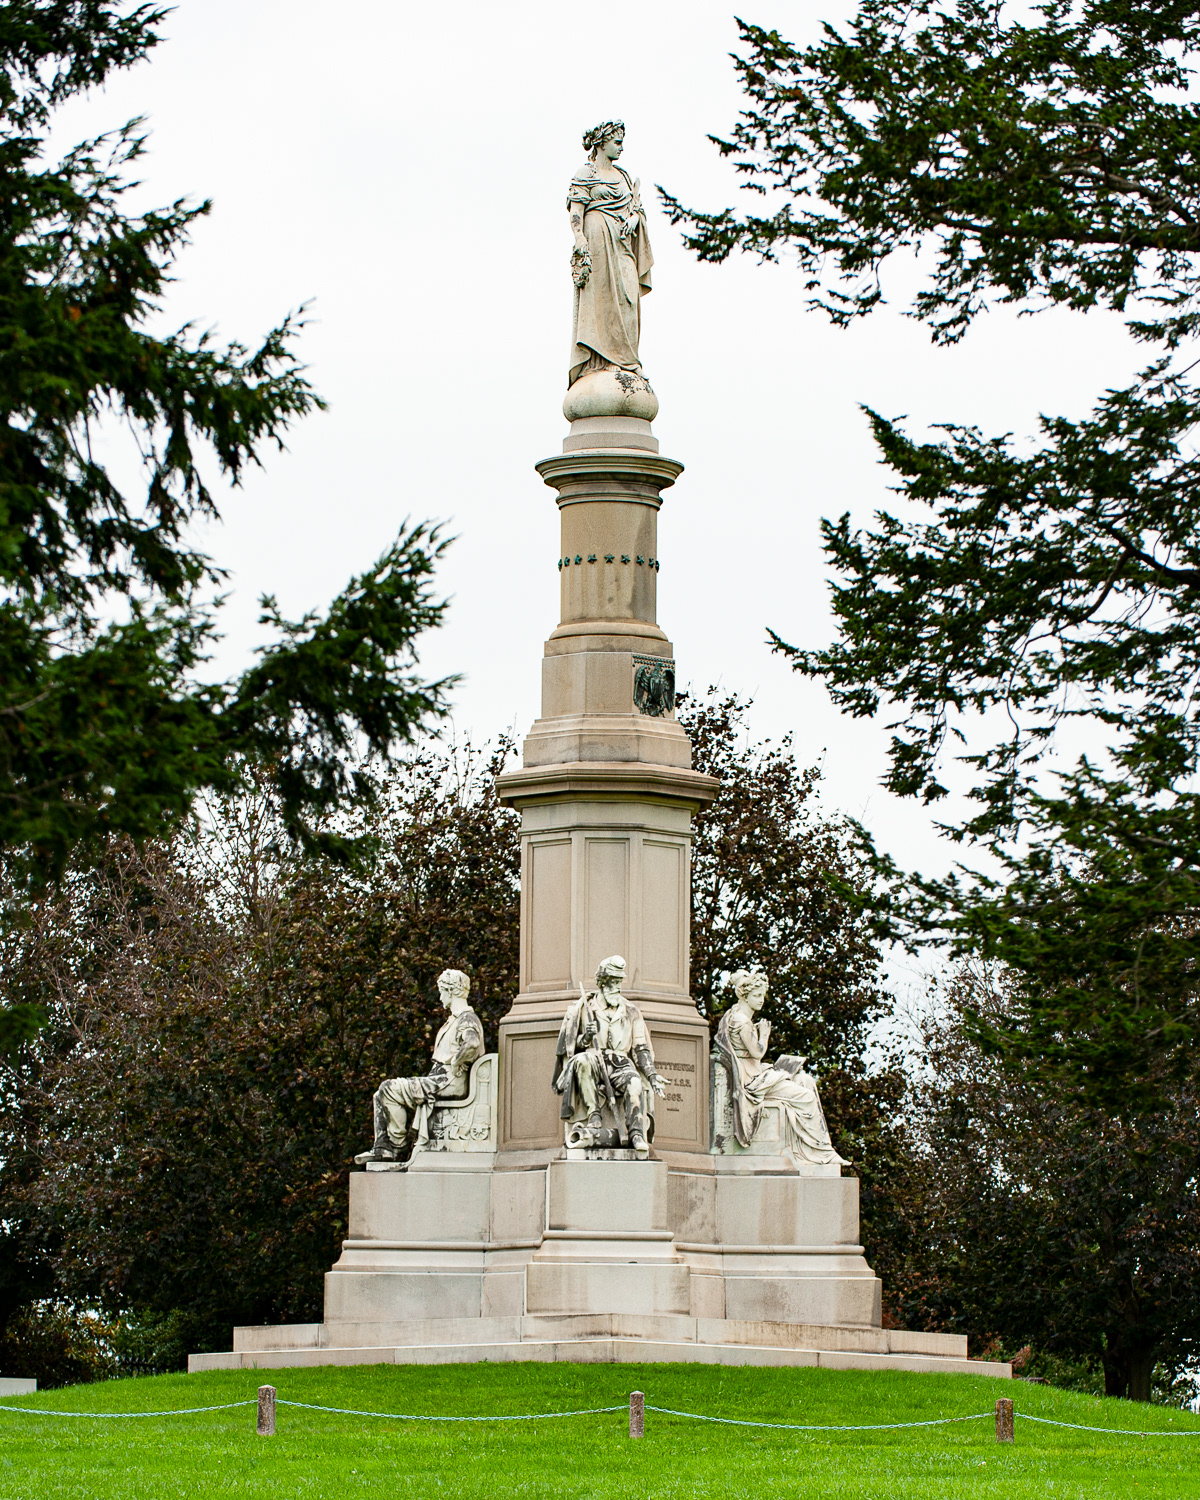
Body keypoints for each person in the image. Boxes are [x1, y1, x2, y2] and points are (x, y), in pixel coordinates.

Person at [713, 967, 848, 1168]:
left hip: (755, 1073)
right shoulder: (742, 1022)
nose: (761, 1000)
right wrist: (765, 1033)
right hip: (752, 1080)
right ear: (745, 995)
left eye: (763, 995)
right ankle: (821, 1153)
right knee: (807, 1097)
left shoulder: (733, 1014)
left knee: (805, 1080)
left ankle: (817, 1150)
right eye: (757, 995)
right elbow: (758, 1052)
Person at [354, 970, 484, 1165]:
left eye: (441, 991)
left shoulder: (466, 1018)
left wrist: (456, 1062)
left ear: (450, 991)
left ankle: (396, 1147)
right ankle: (384, 1146)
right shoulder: (457, 1019)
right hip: (441, 1080)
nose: (440, 997)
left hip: (446, 1081)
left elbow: (472, 1043)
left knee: (388, 1089)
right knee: (379, 1095)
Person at [567, 119, 653, 388]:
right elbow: (575, 213)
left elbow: (636, 211)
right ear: (602, 143)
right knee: (599, 301)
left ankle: (628, 359)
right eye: (617, 143)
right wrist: (580, 238)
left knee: (629, 299)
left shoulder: (625, 177)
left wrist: (634, 220)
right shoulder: (586, 174)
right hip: (597, 245)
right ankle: (599, 361)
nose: (621, 148)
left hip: (623, 246)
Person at [553, 954, 665, 1155]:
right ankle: (593, 1114)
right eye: (613, 982)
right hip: (595, 1058)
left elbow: (641, 1048)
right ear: (602, 983)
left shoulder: (631, 1011)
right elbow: (572, 1046)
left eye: (619, 981)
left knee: (635, 1082)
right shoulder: (586, 1008)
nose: (618, 987)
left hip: (622, 1063)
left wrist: (652, 1074)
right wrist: (586, 1037)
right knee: (583, 1060)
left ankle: (636, 1133)